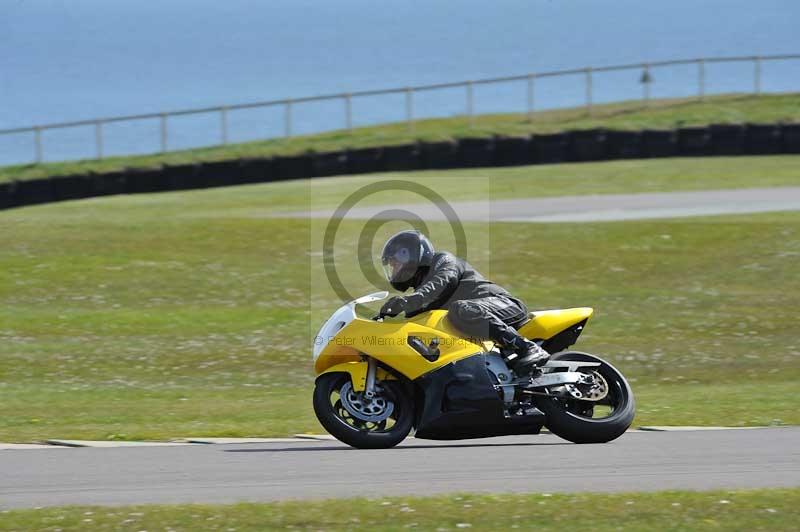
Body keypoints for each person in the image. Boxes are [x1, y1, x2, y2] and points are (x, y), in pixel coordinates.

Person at [378, 230, 549, 373]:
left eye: (395, 263)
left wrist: (408, 300)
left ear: (410, 255)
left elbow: (441, 283)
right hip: (481, 323)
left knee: (461, 308)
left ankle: (526, 347)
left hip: (504, 305)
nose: (393, 269)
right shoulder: (418, 303)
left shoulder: (443, 261)